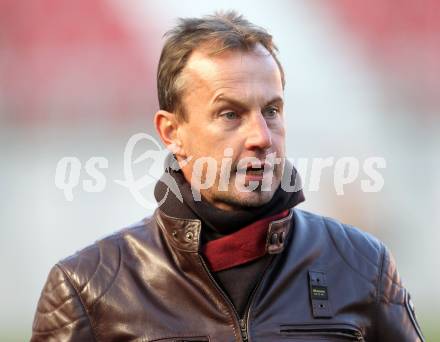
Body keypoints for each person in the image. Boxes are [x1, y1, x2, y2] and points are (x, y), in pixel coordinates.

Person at [31, 11, 425, 341]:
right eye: (230, 114)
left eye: (271, 110)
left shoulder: (362, 265)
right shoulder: (86, 289)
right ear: (172, 133)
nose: (261, 137)